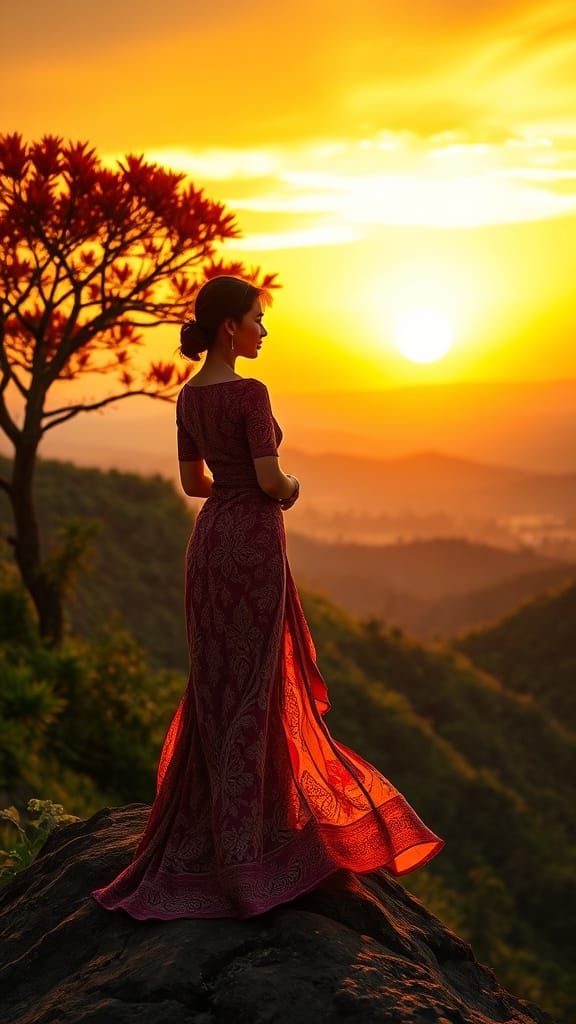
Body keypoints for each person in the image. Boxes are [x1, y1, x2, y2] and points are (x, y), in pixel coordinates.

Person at [90, 275, 445, 920]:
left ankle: (224, 825)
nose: (264, 329)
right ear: (230, 326)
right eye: (258, 318)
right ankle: (254, 838)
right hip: (252, 541)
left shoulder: (189, 397)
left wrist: (241, 488)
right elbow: (267, 478)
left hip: (209, 544)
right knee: (257, 681)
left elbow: (194, 482)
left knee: (219, 683)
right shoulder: (250, 393)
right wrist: (291, 487)